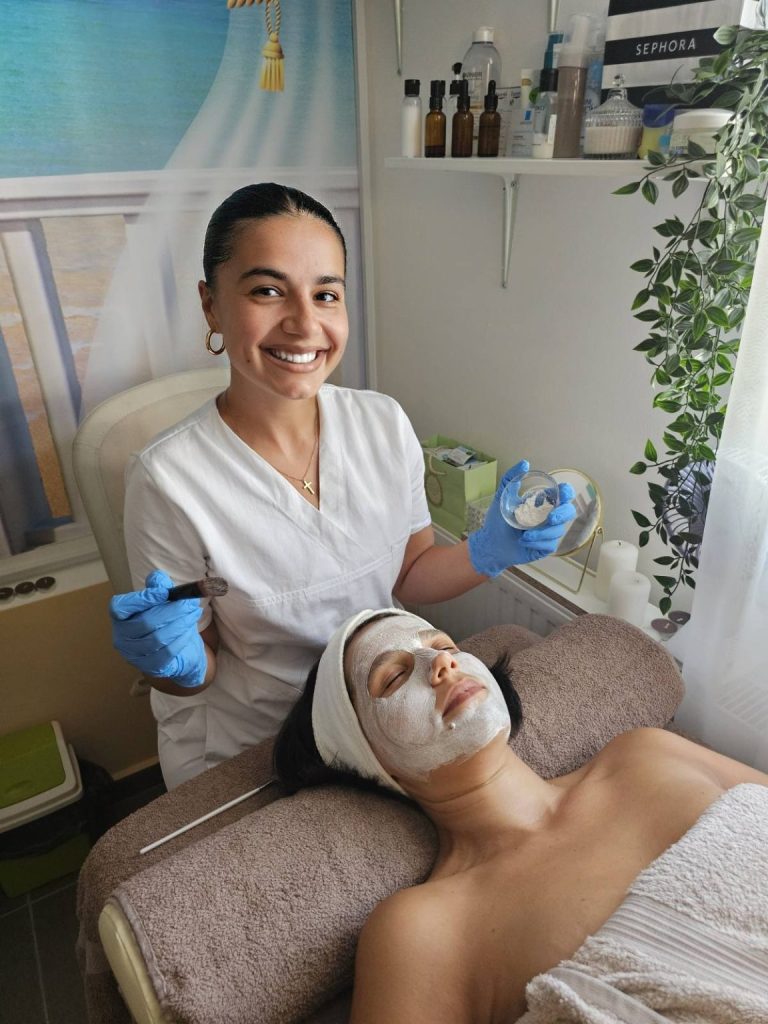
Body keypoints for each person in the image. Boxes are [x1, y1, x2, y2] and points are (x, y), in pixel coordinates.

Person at [108, 182, 576, 790]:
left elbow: (409, 576)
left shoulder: (382, 422)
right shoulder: (168, 479)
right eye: (267, 290)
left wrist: (490, 551)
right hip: (258, 743)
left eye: (326, 295)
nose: (305, 324)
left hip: (384, 720)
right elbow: (196, 670)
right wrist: (172, 664)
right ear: (212, 305)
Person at [273, 607, 768, 1023]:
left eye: (443, 644)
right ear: (370, 760)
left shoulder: (646, 752)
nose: (441, 662)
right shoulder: (425, 929)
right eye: (395, 676)